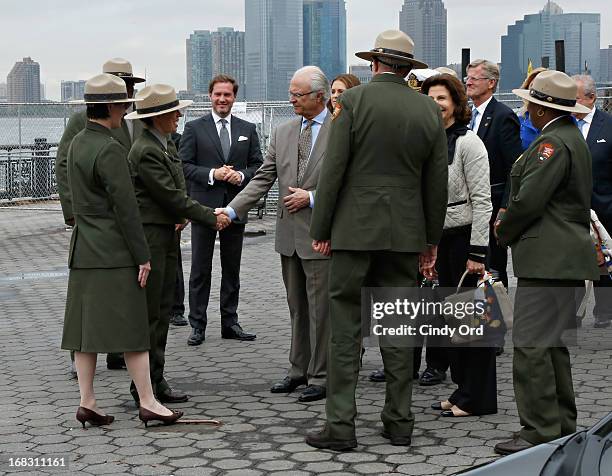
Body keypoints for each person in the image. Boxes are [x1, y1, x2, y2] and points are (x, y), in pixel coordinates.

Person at [306, 30, 448, 450]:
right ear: (408, 69)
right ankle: (399, 421)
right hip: (405, 232)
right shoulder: (427, 110)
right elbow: (435, 182)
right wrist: (430, 239)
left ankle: (340, 425)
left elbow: (333, 171)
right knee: (399, 325)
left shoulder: (351, 102)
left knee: (345, 328)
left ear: (374, 65)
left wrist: (322, 229)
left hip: (354, 230)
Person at [61, 73, 182, 428]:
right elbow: (127, 208)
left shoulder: (79, 142)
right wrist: (142, 255)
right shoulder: (110, 148)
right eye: (124, 103)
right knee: (133, 329)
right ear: (114, 106)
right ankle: (148, 401)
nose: (127, 108)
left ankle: (88, 402)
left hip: (83, 247)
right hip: (114, 250)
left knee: (84, 332)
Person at [494, 70, 599, 455]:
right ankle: (560, 424)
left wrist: (503, 228)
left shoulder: (552, 143)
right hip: (564, 258)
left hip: (548, 259)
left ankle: (538, 430)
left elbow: (529, 199)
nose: (526, 109)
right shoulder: (568, 137)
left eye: (530, 103)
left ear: (541, 108)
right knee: (553, 347)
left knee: (533, 347)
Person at [220, 66, 333, 404]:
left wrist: (312, 197)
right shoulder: (283, 132)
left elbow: (350, 183)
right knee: (297, 308)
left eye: (297, 94)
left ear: (319, 96)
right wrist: (231, 211)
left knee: (322, 311)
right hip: (288, 238)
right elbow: (262, 178)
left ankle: (323, 375)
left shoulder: (341, 130)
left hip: (321, 236)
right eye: (291, 93)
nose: (291, 99)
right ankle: (298, 369)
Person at [125, 84, 230, 405]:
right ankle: (144, 385)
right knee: (152, 313)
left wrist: (183, 213)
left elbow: (178, 186)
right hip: (152, 237)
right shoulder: (145, 150)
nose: (179, 116)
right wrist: (211, 217)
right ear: (157, 117)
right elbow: (170, 195)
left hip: (166, 233)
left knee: (162, 308)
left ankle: (155, 380)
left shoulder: (163, 144)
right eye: (173, 112)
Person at [56, 58, 145, 374]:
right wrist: (73, 213)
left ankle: (117, 353)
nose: (127, 89)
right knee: (91, 297)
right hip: (97, 221)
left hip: (125, 218)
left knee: (117, 294)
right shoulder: (84, 122)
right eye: (120, 83)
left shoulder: (136, 118)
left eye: (129, 83)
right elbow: (65, 165)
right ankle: (82, 358)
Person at [421, 73, 496, 418]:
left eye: (441, 98)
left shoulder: (469, 143)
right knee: (452, 326)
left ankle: (478, 398)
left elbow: (482, 200)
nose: (435, 105)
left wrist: (478, 252)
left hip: (468, 240)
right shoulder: (427, 142)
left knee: (474, 328)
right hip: (441, 241)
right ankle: (463, 389)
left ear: (455, 104)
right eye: (430, 98)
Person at [180, 75, 263, 345]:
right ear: (210, 96)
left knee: (232, 268)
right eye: (218, 94)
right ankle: (198, 325)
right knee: (200, 269)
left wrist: (241, 176)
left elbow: (258, 166)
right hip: (203, 207)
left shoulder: (247, 129)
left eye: (227, 95)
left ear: (234, 97)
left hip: (234, 208)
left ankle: (230, 322)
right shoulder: (194, 128)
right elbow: (184, 165)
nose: (222, 99)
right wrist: (213, 173)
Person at [466, 59, 523, 289]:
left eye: (474, 78)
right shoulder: (467, 114)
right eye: (467, 77)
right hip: (467, 203)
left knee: (492, 266)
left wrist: (504, 207)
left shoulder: (503, 116)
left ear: (491, 83)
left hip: (491, 202)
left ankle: (495, 319)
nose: (468, 82)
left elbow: (514, 167)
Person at [573, 74, 612, 329]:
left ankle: (605, 309)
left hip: (603, 204)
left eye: (575, 98)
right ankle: (572, 312)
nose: (571, 103)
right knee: (572, 261)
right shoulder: (562, 124)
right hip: (571, 208)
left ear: (591, 98)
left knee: (603, 261)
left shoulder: (607, 125)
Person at [517, 67, 547, 150]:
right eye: (532, 86)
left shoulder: (563, 121)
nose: (534, 91)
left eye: (540, 87)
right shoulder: (519, 119)